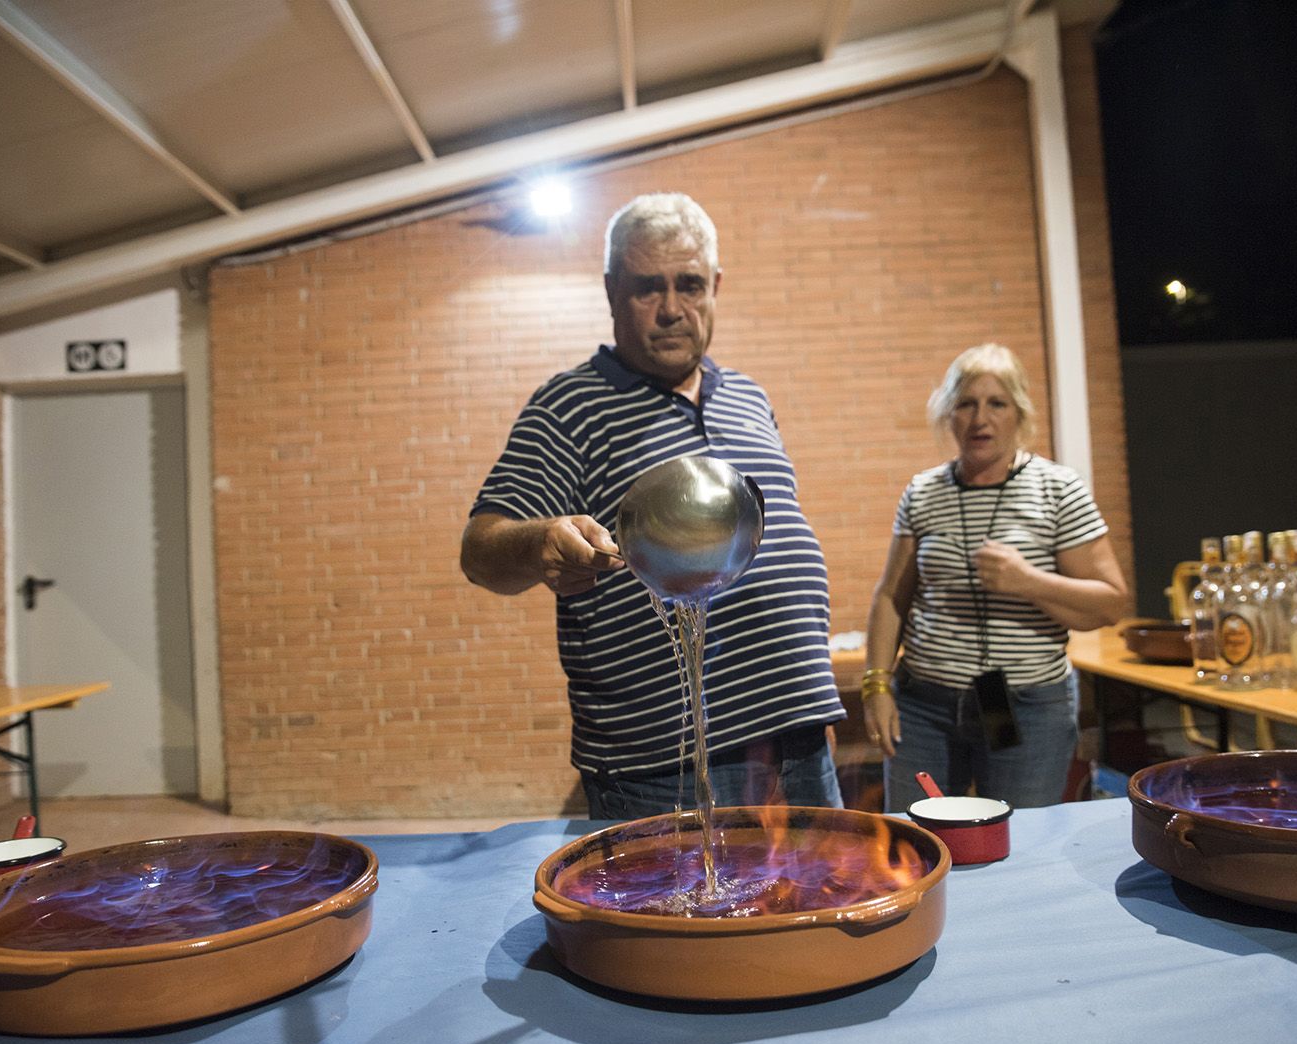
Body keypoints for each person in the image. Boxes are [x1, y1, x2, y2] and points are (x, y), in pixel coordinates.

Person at [461, 192, 846, 820]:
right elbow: (480, 549)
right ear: (612, 291)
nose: (672, 309)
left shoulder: (748, 396)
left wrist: (809, 706)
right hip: (663, 765)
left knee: (815, 913)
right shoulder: (569, 408)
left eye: (690, 285)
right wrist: (540, 541)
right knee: (676, 918)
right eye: (648, 288)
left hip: (799, 737)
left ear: (716, 285)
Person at [862, 343, 1128, 811]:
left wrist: (1030, 581)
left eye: (996, 403)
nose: (980, 418)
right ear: (948, 414)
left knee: (1020, 847)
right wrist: (877, 686)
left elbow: (1110, 603)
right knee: (916, 846)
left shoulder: (1057, 489)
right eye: (965, 403)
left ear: (1019, 414)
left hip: (1027, 707)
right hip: (924, 706)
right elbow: (891, 598)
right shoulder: (924, 492)